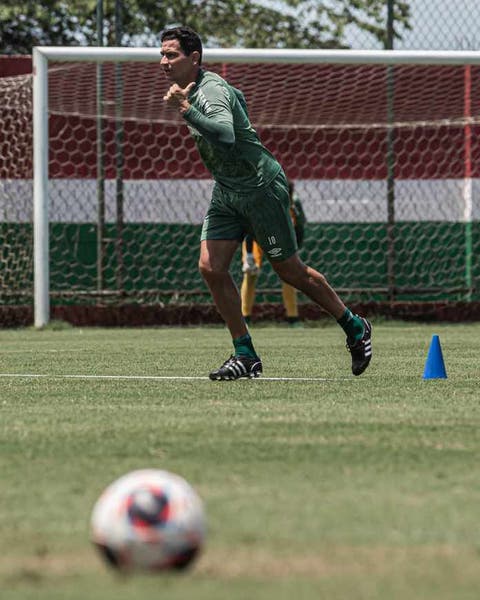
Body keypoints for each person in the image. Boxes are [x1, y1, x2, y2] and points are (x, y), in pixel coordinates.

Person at [161, 26, 372, 380]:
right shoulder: (204, 86)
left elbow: (226, 136)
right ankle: (245, 355)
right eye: (162, 54)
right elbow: (238, 99)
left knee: (290, 272)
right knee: (211, 267)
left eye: (171, 54)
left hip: (260, 190)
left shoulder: (209, 92)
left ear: (193, 58)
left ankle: (354, 326)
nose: (163, 61)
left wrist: (185, 108)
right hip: (227, 191)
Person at [241, 180, 306, 326]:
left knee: (290, 275)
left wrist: (295, 251)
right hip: (256, 240)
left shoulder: (294, 206)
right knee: (250, 273)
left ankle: (293, 318)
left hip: (280, 240)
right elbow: (249, 229)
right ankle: (244, 318)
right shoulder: (260, 204)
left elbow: (299, 229)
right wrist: (250, 256)